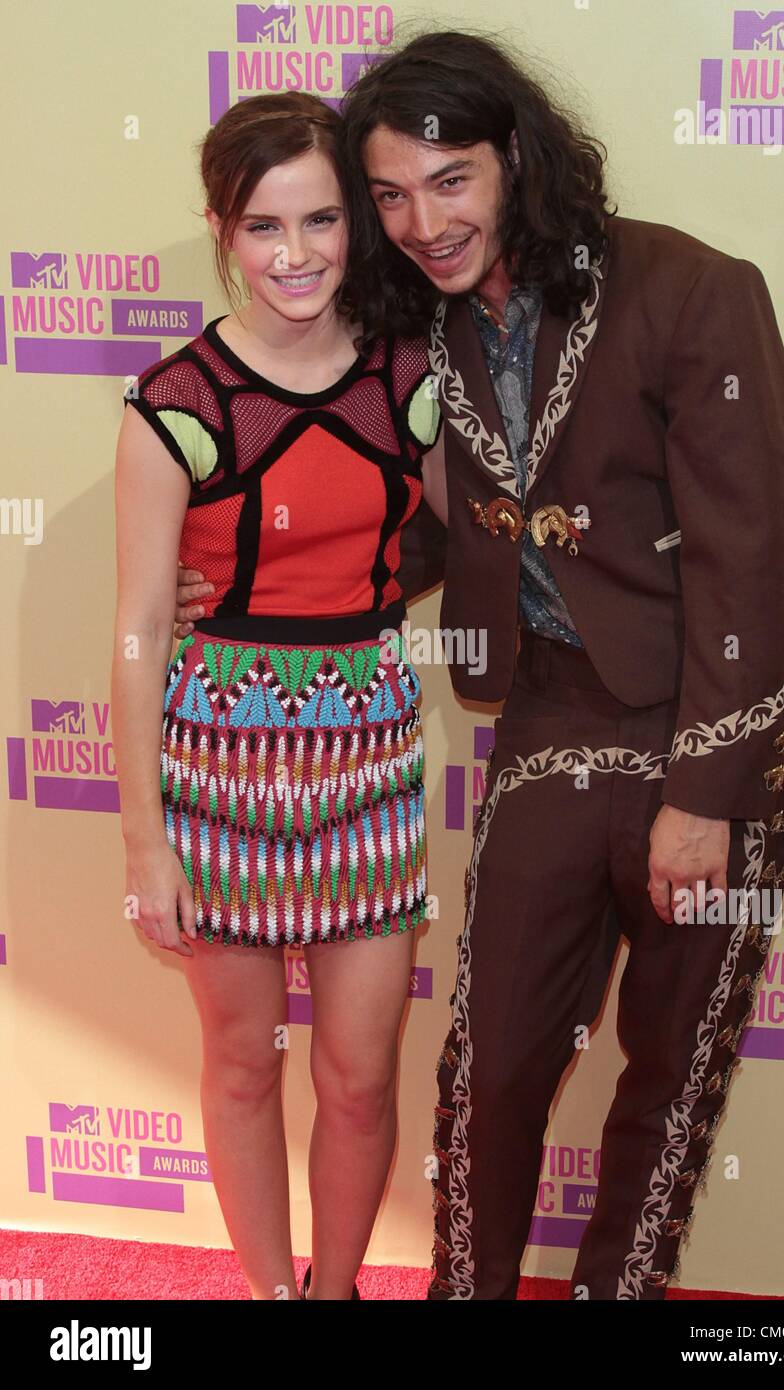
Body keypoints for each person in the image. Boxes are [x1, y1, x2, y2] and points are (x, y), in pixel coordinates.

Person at [175, 30, 784, 1300]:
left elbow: (752, 556)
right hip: (549, 720)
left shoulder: (688, 288)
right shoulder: (416, 329)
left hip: (706, 741)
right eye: (392, 196)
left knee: (668, 1081)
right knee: (490, 1069)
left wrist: (703, 793)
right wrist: (253, 577)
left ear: (513, 156)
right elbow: (429, 519)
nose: (421, 222)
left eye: (449, 180)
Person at [111, 90, 446, 1302]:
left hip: (368, 763)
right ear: (221, 228)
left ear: (353, 225)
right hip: (213, 770)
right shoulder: (175, 404)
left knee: (359, 1073)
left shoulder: (412, 376)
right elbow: (142, 633)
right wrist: (146, 843)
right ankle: (266, 1294)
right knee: (244, 1062)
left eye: (318, 221)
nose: (294, 254)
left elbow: (476, 538)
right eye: (263, 226)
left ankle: (336, 1290)